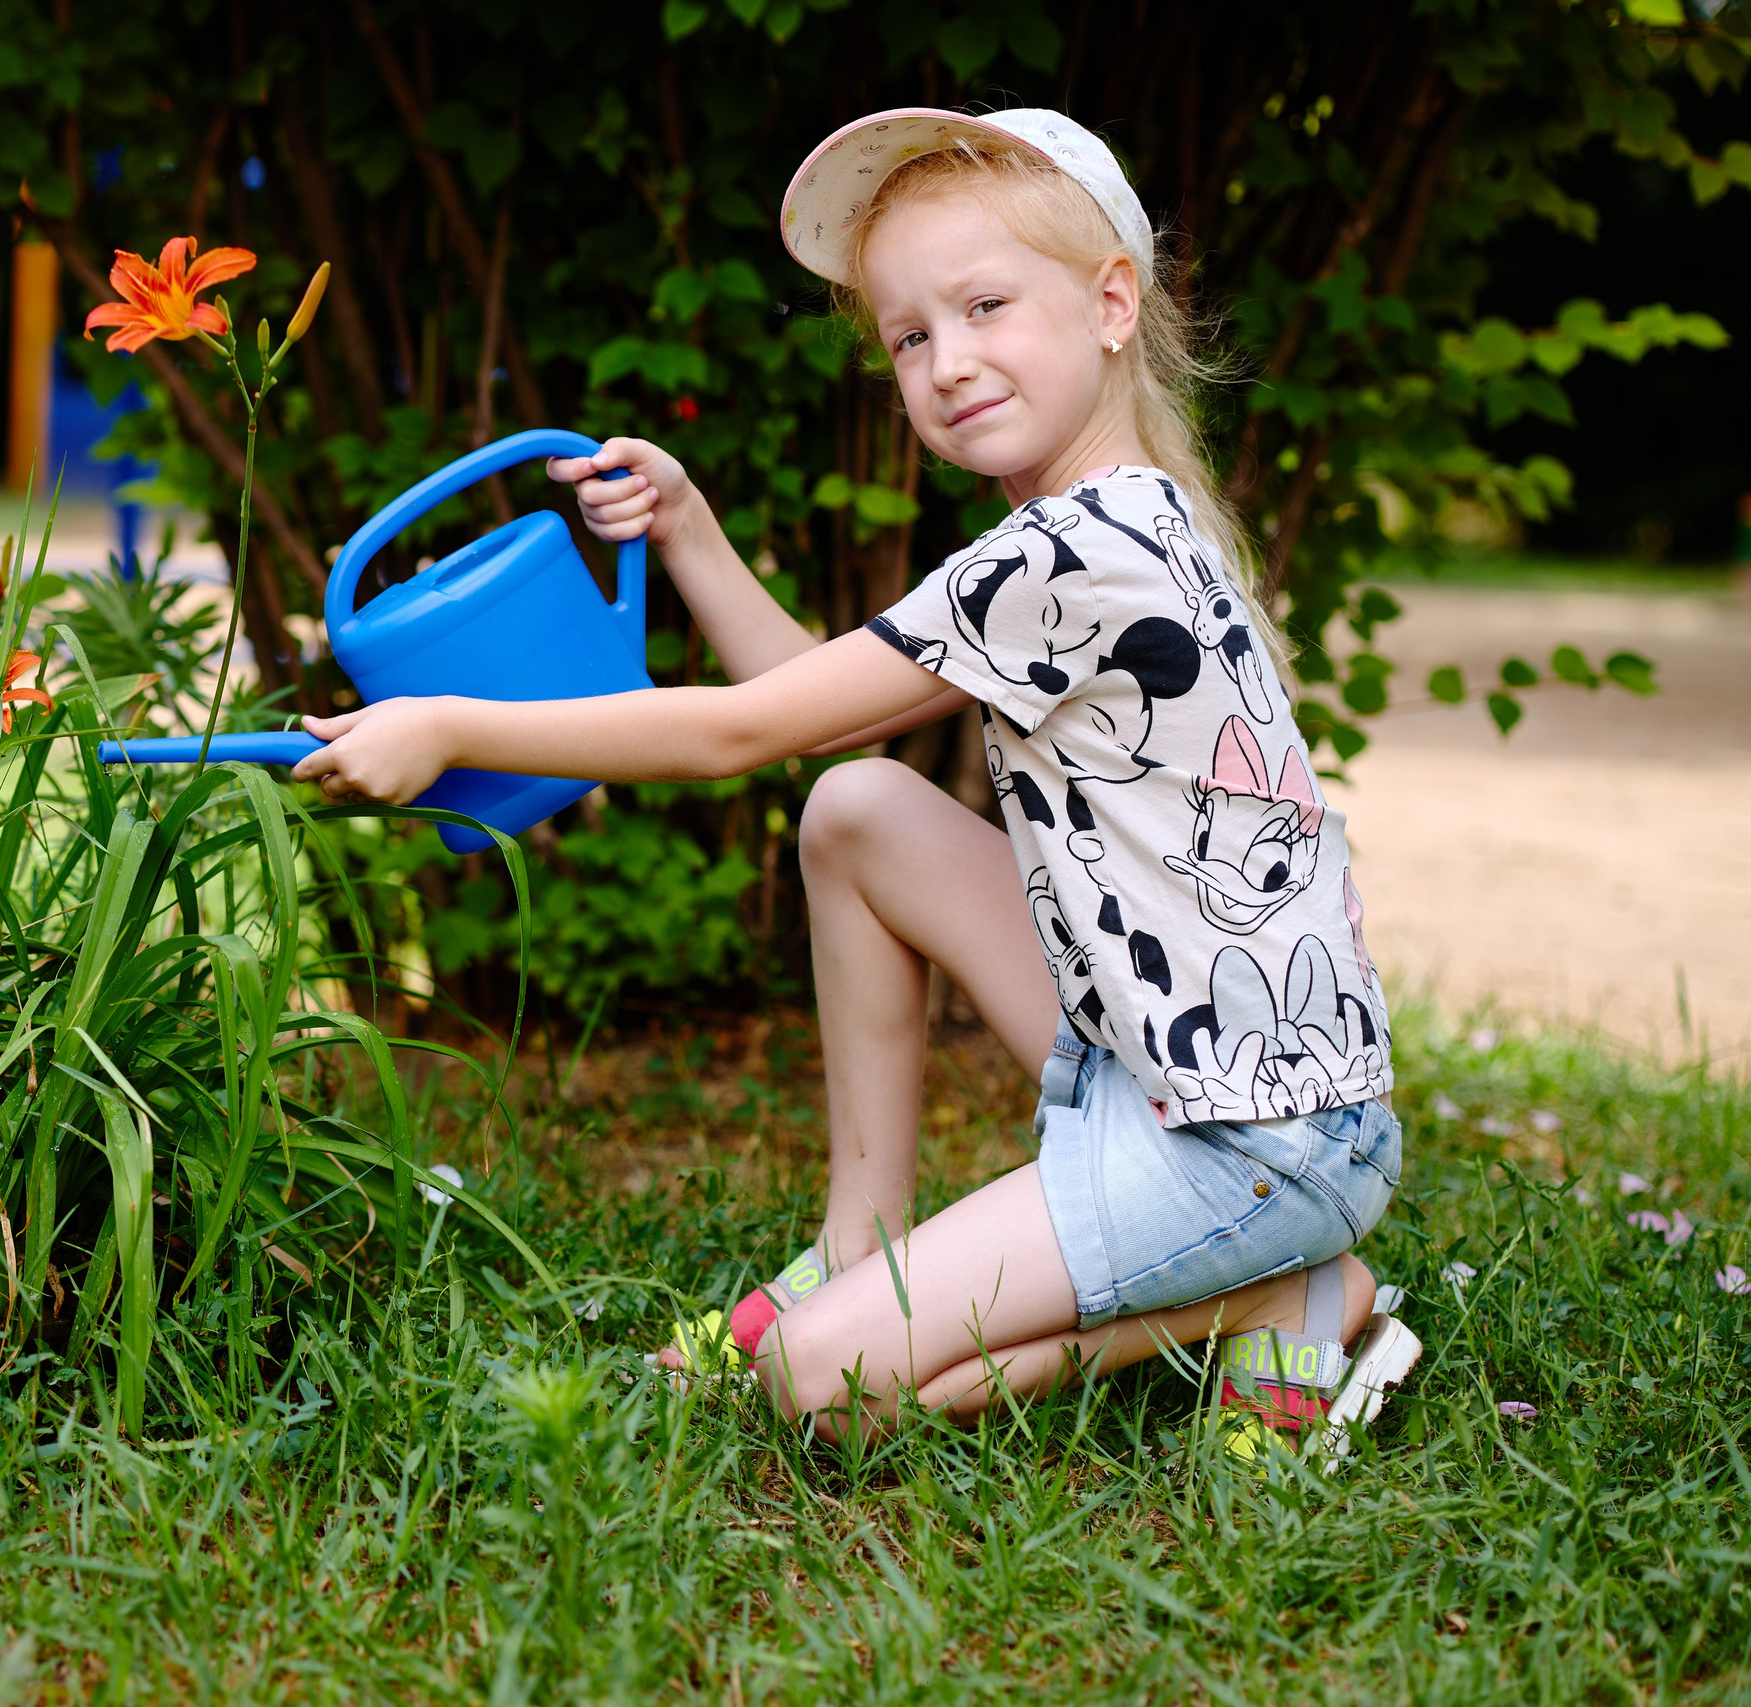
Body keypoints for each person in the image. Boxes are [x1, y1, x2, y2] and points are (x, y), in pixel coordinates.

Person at [291, 108, 1418, 1457]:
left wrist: (448, 723)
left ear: (1114, 302)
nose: (947, 364)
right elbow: (813, 719)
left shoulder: (1073, 552)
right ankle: (855, 1243)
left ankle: (1285, 1294)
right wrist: (689, 529)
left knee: (826, 1391)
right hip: (1192, 1072)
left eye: (986, 305)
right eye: (909, 336)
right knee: (861, 812)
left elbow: (735, 733)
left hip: (1250, 1141)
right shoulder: (1096, 521)